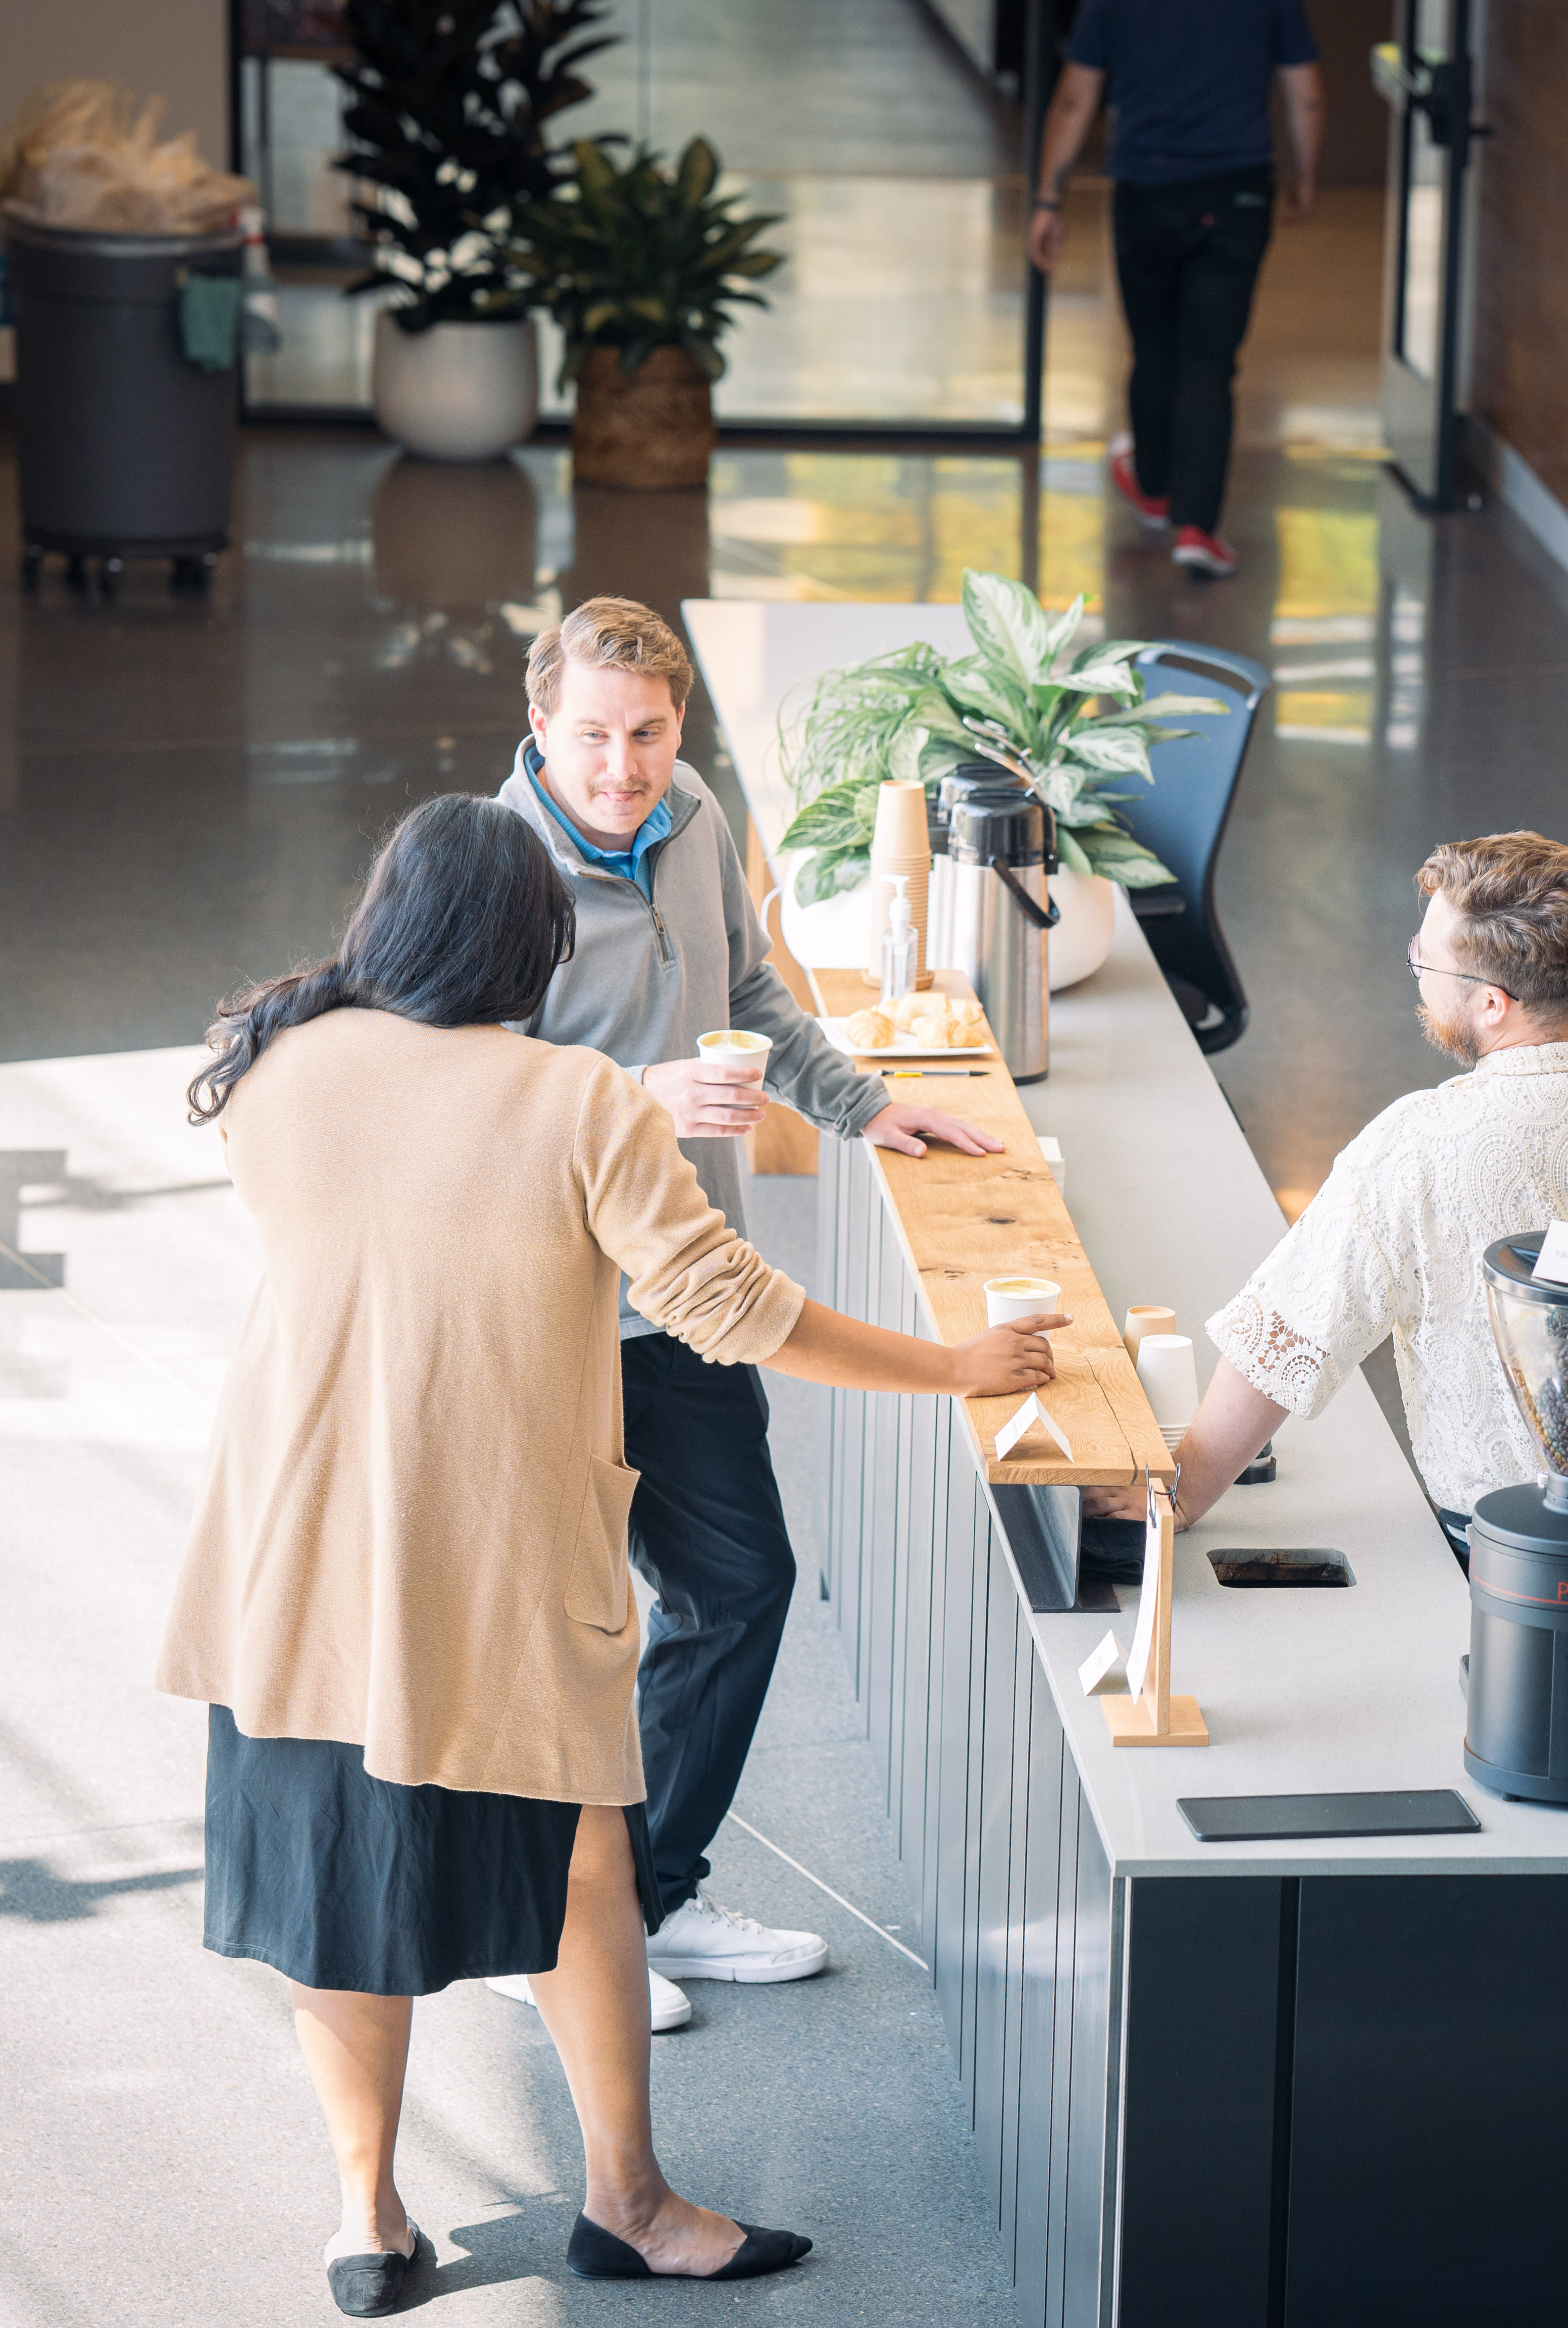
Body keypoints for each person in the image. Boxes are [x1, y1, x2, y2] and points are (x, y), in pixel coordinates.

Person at [156, 797, 1061, 2313]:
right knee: (584, 1869)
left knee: (331, 1885)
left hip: (294, 1540)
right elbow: (732, 1308)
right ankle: (628, 2201)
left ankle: (369, 2214)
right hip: (492, 1546)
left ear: (388, 916)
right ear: (533, 941)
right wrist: (955, 1366)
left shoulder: (277, 1059)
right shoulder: (572, 1098)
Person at [489, 597, 1002, 2026]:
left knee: (737, 1586)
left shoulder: (695, 808)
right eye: (592, 736)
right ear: (541, 728)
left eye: (649, 733)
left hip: (686, 1293)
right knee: (562, 1634)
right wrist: (632, 1102)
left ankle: (645, 1901)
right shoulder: (497, 875)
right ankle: (567, 1938)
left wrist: (861, 1103)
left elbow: (754, 986)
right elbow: (464, 1099)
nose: (623, 768)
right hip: (554, 1312)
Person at [1097, 832, 1568, 1595]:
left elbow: (1282, 1340)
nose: (1416, 973)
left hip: (1511, 1570)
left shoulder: (1414, 1147)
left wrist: (1179, 1493)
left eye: (1426, 961)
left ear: (1490, 1004)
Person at [1026, 0, 1325, 581]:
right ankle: (1197, 528)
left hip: (1145, 193)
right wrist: (1306, 177)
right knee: (1210, 364)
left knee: (1154, 347)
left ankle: (1156, 488)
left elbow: (1073, 99)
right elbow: (1304, 92)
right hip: (1236, 193)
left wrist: (1046, 200)